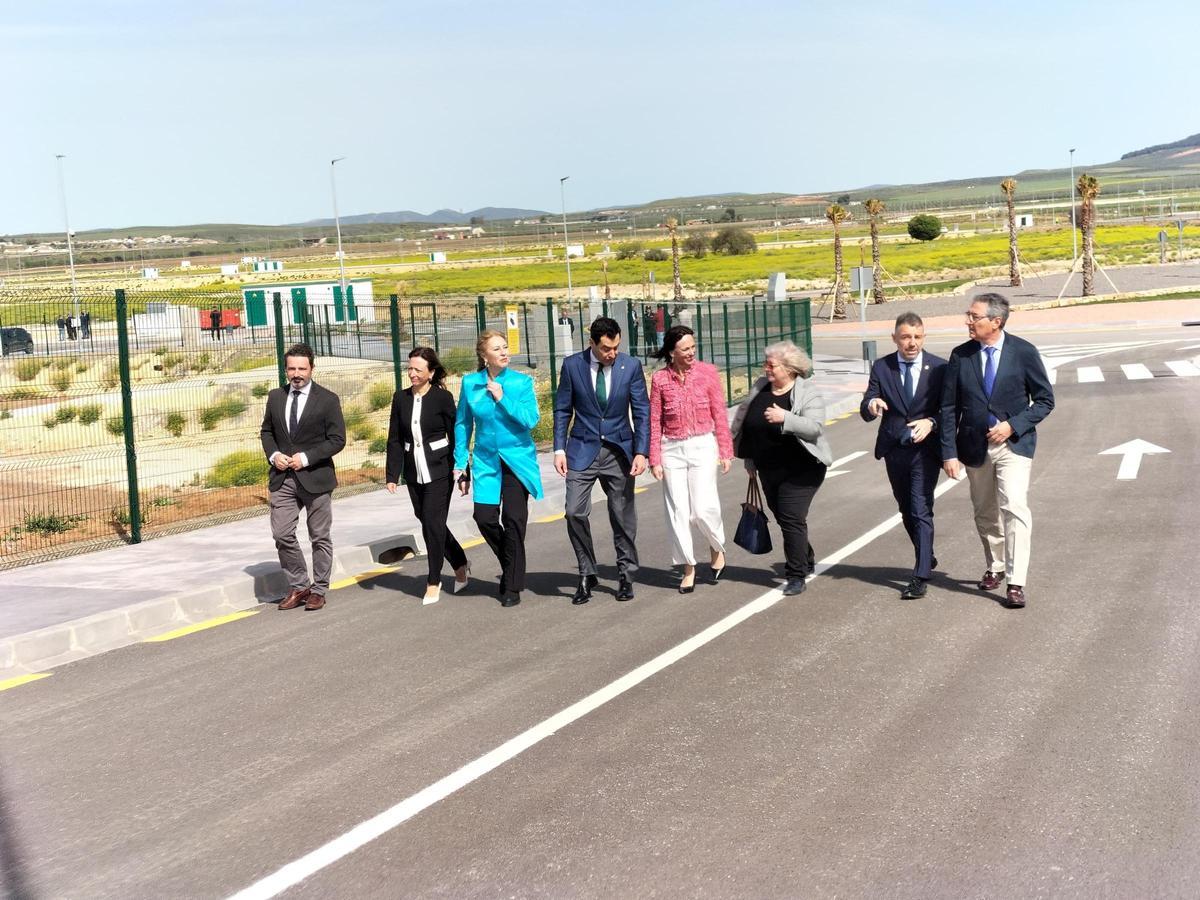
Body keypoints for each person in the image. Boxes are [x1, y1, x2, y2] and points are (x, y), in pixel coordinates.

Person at [940, 293, 1054, 609]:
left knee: (1014, 507)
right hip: (974, 447)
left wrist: (1012, 425)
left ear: (996, 321)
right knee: (985, 511)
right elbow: (948, 407)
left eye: (974, 316)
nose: (968, 321)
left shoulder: (1023, 352)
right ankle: (996, 566)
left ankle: (1016, 582)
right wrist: (948, 452)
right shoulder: (960, 356)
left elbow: (1045, 400)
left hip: (1014, 445)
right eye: (969, 315)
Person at [553, 316, 650, 604]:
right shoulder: (572, 366)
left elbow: (642, 411)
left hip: (620, 450)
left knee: (622, 517)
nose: (612, 353)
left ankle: (625, 574)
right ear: (592, 343)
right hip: (581, 449)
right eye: (606, 348)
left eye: (616, 347)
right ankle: (586, 572)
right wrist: (559, 449)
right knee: (574, 512)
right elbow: (562, 411)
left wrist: (641, 451)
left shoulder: (630, 366)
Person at [731, 340, 832, 596]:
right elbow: (749, 425)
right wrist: (749, 459)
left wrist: (785, 418)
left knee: (791, 517)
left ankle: (796, 575)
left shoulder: (807, 392)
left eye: (771, 365)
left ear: (789, 368)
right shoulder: (761, 387)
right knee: (783, 518)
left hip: (802, 469)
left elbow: (815, 427)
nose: (766, 369)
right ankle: (804, 554)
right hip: (768, 468)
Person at [860, 312, 947, 599]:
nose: (912, 343)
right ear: (895, 338)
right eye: (906, 337)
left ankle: (920, 575)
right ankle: (926, 554)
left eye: (917, 337)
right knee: (906, 508)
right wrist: (872, 403)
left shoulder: (939, 368)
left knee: (921, 507)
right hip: (894, 448)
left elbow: (949, 410)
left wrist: (931, 422)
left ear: (924, 337)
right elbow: (868, 399)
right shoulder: (883, 367)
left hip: (926, 450)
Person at [454, 331, 543, 607]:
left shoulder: (521, 382)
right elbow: (462, 424)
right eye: (497, 349)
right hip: (486, 462)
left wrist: (503, 397)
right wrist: (461, 464)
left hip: (517, 461)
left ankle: (512, 585)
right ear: (484, 356)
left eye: (505, 347)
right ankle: (511, 562)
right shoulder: (470, 384)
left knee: (514, 521)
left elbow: (531, 420)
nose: (504, 352)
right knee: (484, 518)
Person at [260, 343, 346, 611]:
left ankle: (319, 589)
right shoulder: (275, 397)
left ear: (311, 368)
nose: (296, 374)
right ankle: (299, 586)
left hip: (316, 477)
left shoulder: (328, 400)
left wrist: (306, 458)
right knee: (282, 533)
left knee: (319, 536)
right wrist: (274, 455)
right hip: (282, 478)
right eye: (291, 368)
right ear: (286, 369)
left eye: (302, 368)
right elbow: (266, 432)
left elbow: (337, 440)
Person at [648, 325, 733, 593]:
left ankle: (716, 546)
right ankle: (688, 567)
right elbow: (654, 421)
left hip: (702, 444)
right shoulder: (660, 380)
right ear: (672, 352)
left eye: (693, 347)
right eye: (685, 349)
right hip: (671, 447)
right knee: (678, 512)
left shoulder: (708, 373)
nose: (691, 353)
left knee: (703, 508)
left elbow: (720, 413)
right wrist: (655, 458)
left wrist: (725, 450)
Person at [386, 347, 470, 605]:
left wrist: (464, 471)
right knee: (427, 521)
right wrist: (392, 474)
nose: (412, 373)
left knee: (433, 525)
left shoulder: (442, 398)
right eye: (409, 368)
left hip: (439, 471)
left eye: (417, 370)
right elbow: (395, 439)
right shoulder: (400, 399)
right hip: (414, 472)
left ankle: (433, 580)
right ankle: (459, 562)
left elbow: (458, 436)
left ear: (431, 373)